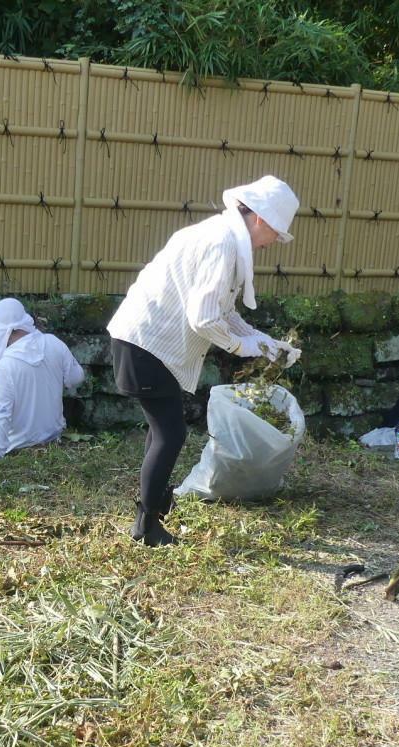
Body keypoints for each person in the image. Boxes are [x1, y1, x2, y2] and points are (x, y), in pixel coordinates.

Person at [107, 175, 301, 546]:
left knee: (161, 428)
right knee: (171, 433)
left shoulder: (223, 236)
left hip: (145, 342)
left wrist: (266, 343)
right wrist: (247, 348)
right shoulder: (222, 243)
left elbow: (224, 312)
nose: (274, 242)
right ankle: (146, 526)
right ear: (261, 219)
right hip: (145, 343)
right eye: (277, 233)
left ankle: (156, 502)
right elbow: (206, 319)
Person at [0, 297, 85, 459]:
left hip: (18, 450)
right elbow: (76, 377)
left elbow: (0, 414)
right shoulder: (54, 343)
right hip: (55, 443)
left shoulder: (6, 365)